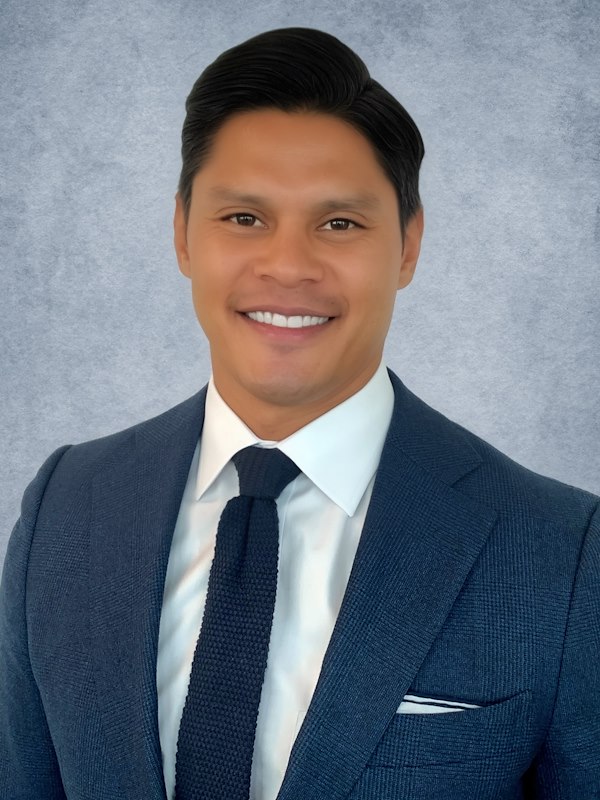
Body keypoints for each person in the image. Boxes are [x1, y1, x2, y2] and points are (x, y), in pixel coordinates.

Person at [0, 26, 598, 800]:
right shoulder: (67, 506)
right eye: (243, 218)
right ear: (182, 233)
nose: (287, 266)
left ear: (408, 245)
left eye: (339, 224)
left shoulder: (561, 552)